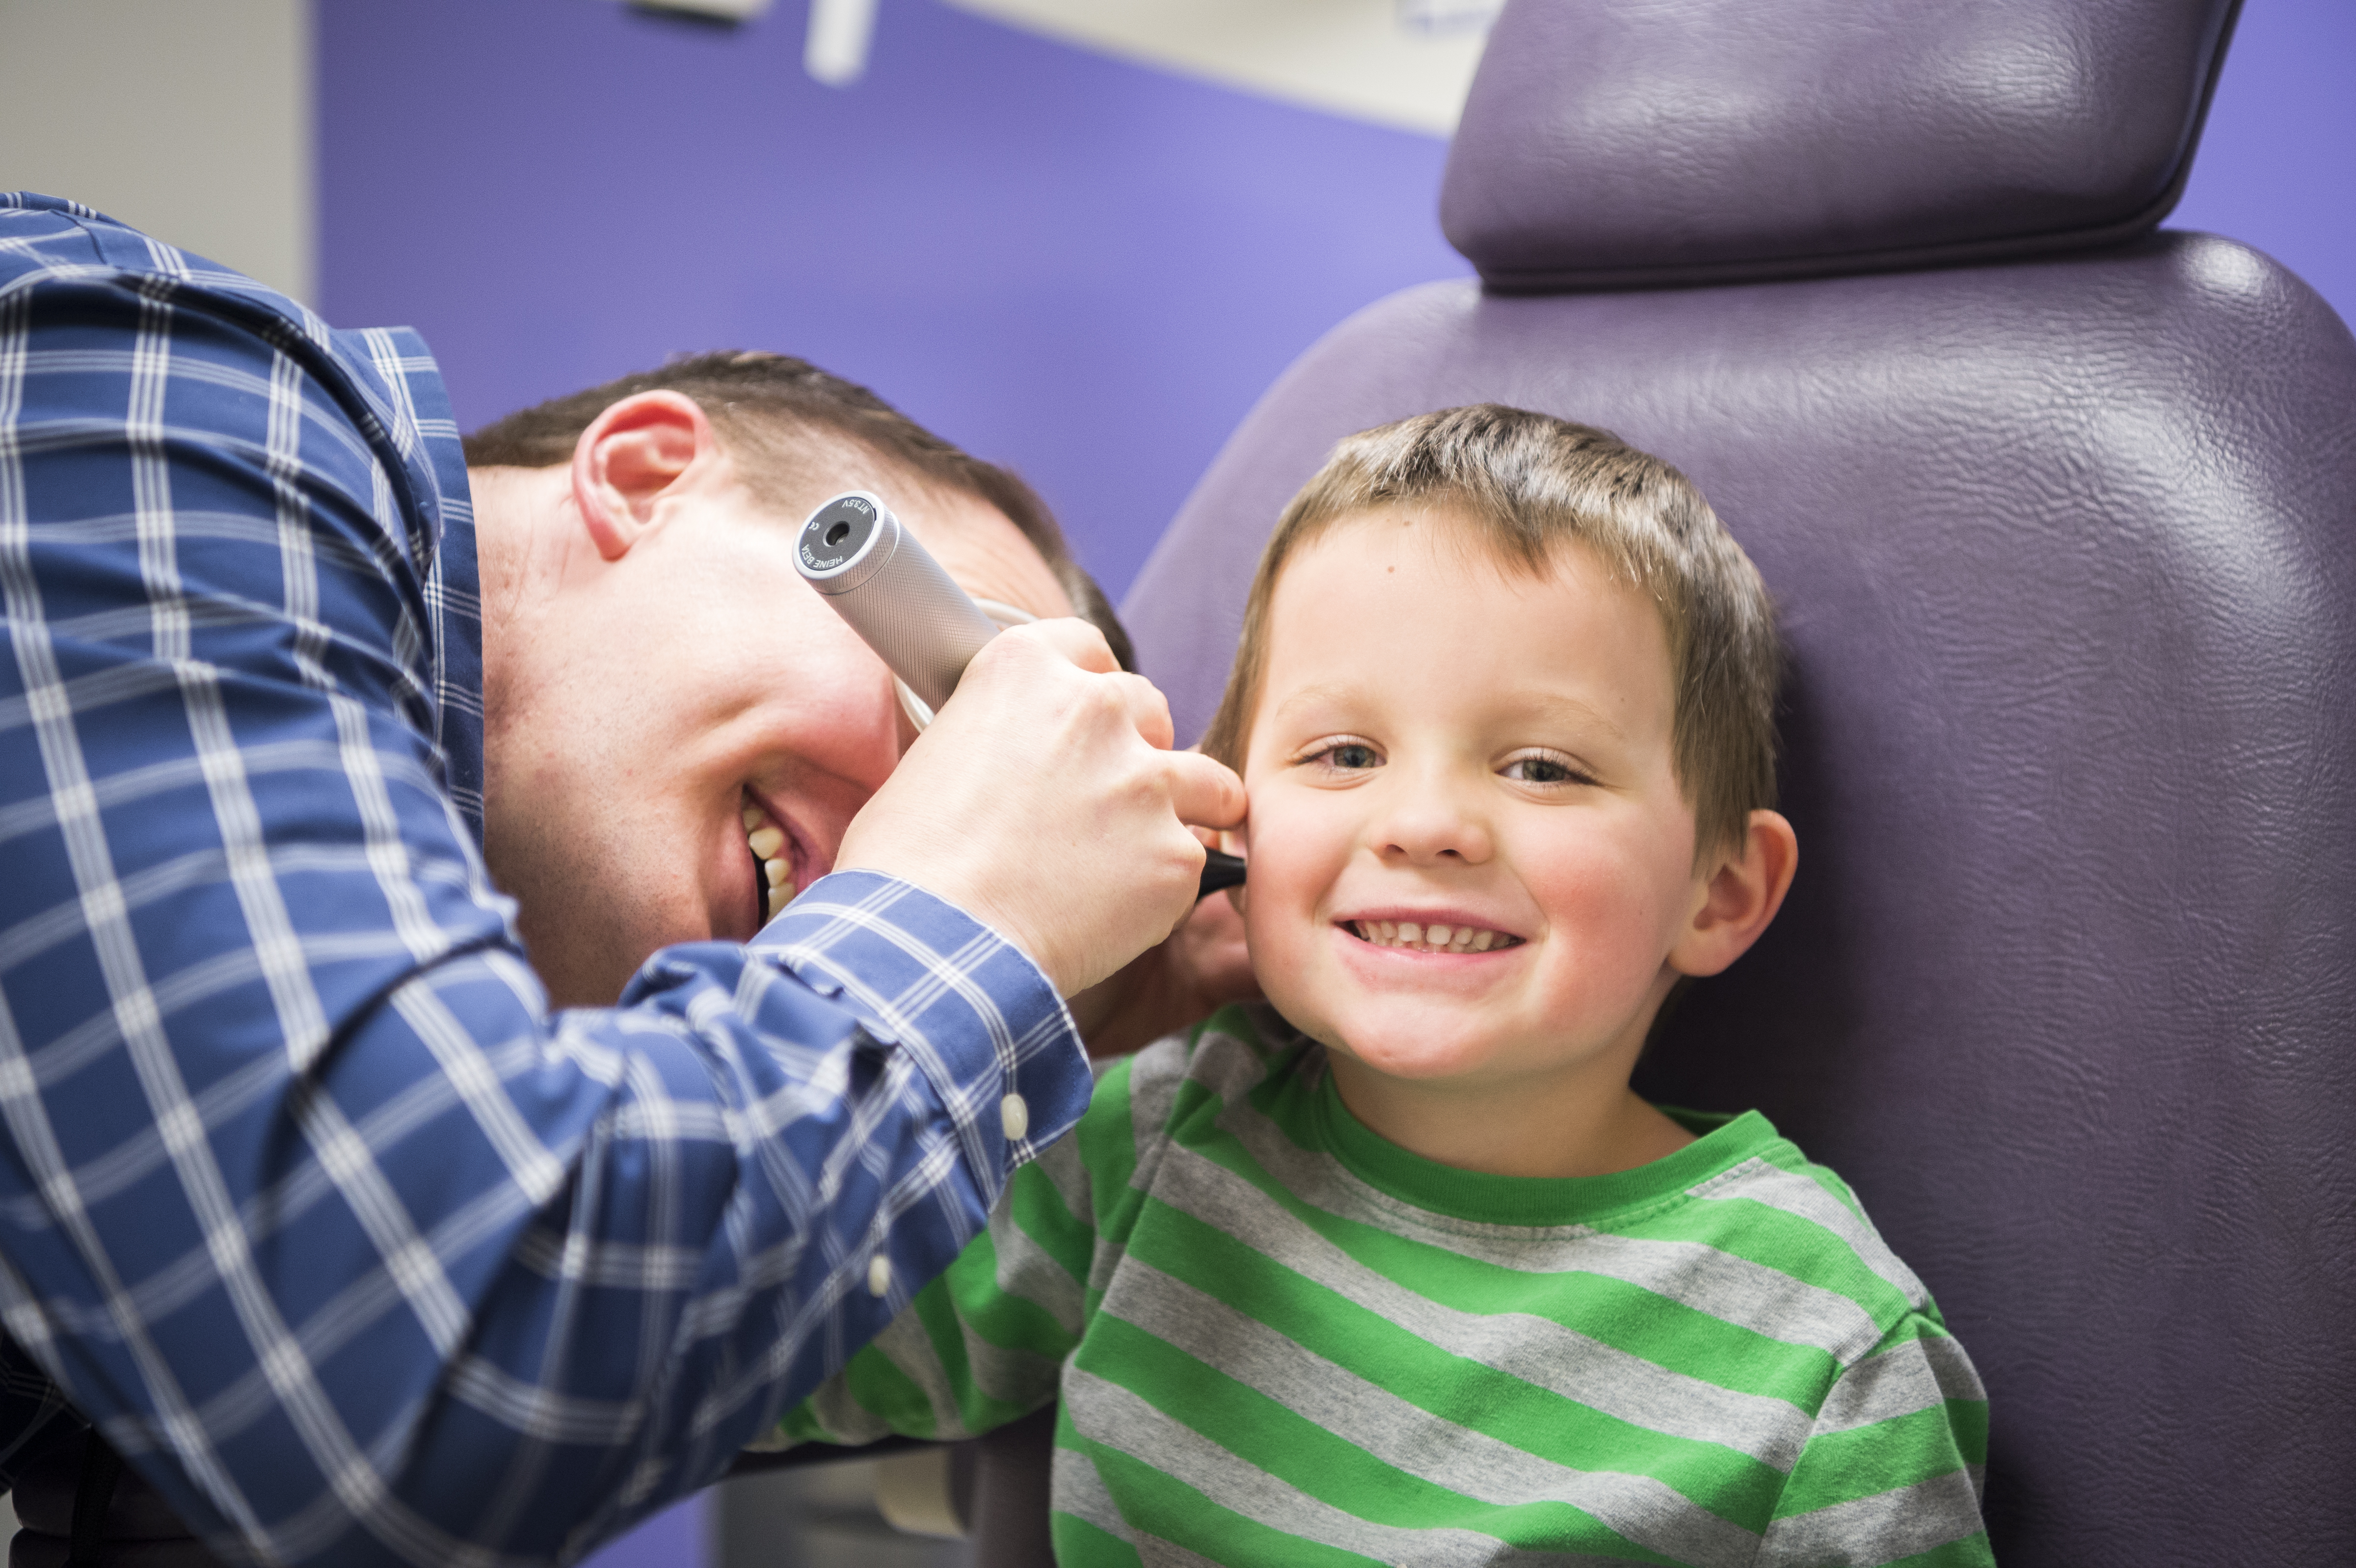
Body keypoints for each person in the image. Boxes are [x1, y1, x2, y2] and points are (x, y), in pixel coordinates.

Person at [0, 192, 1245, 1564]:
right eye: (940, 705)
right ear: (647, 474)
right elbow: (408, 1368)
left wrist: (1047, 1013)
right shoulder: (157, 399)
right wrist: (980, 916)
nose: (930, 813)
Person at [768, 405, 1994, 1566]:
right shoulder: (1150, 1138)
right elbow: (744, 1352)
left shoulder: (1827, 1352)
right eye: (1344, 753)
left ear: (1718, 891)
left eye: (1545, 766)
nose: (1425, 823)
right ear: (1225, 829)